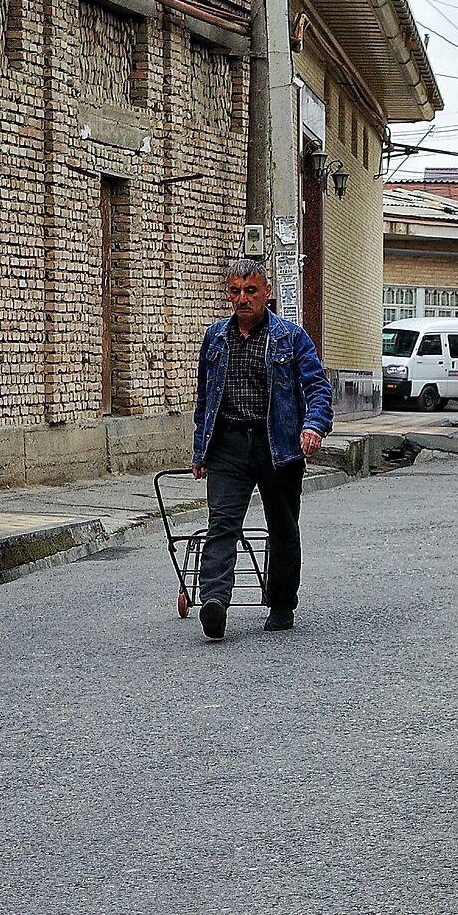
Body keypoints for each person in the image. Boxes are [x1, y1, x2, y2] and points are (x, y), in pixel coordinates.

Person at [190, 259, 330, 637]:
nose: (242, 298)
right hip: (229, 445)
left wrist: (313, 427)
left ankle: (282, 603)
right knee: (221, 524)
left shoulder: (290, 337)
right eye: (235, 291)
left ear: (266, 293)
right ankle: (215, 601)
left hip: (279, 446)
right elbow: (205, 398)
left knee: (282, 527)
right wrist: (200, 450)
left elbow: (318, 388)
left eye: (250, 291)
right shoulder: (216, 337)